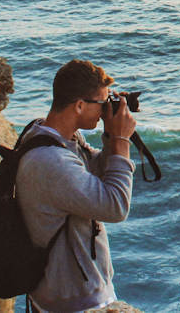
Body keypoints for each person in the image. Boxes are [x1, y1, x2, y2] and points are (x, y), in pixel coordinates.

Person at [16, 59, 136, 312]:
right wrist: (122, 140)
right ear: (80, 105)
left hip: (69, 290)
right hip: (73, 301)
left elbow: (96, 173)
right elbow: (115, 206)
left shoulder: (52, 137)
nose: (105, 111)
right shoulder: (51, 160)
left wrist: (111, 136)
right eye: (102, 104)